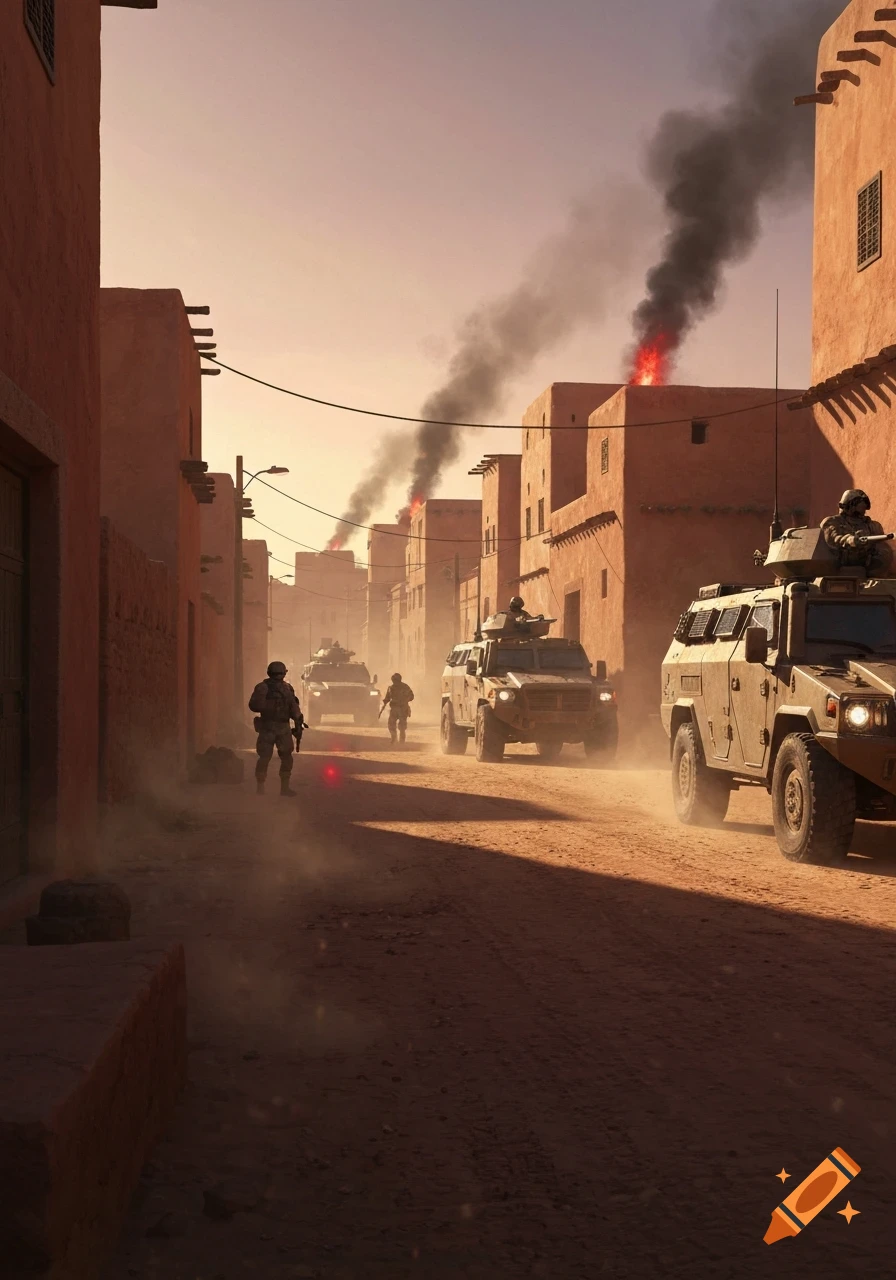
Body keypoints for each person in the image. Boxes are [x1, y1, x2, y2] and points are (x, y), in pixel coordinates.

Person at [248, 660, 304, 796]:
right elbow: (294, 709)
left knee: (264, 757)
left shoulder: (262, 687)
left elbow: (253, 706)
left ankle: (260, 788)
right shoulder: (287, 688)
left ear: (269, 672)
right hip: (281, 727)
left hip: (268, 726)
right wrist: (298, 723)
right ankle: (283, 788)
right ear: (284, 673)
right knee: (285, 757)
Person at [821, 489, 893, 575]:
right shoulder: (833, 522)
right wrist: (849, 540)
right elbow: (834, 538)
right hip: (843, 562)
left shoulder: (872, 525)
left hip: (866, 563)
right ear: (848, 506)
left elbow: (881, 546)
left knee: (885, 549)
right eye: (858, 504)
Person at [382, 673, 414, 746]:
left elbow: (411, 696)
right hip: (397, 709)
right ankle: (395, 739)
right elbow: (387, 698)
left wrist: (404, 700)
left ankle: (400, 740)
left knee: (400, 726)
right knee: (393, 725)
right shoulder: (393, 688)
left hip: (401, 708)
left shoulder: (403, 687)